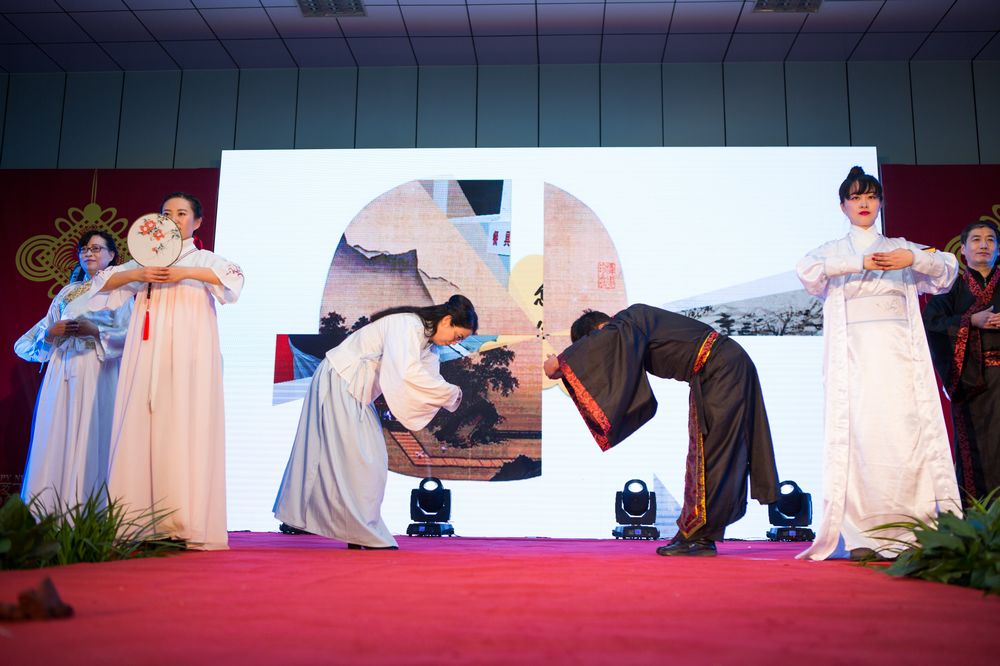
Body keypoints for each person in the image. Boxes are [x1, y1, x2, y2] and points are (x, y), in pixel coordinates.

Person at [795, 166, 961, 561]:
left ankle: (913, 532)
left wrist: (913, 257)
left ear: (881, 202)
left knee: (906, 436)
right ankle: (861, 536)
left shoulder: (902, 247)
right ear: (843, 206)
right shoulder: (833, 251)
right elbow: (808, 272)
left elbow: (947, 271)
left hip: (900, 361)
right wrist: (859, 263)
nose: (863, 204)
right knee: (859, 436)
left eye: (870, 196)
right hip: (855, 361)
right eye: (855, 198)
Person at [544, 305, 779, 557]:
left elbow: (599, 343)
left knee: (711, 454)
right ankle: (697, 534)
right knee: (714, 451)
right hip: (719, 369)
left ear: (601, 330)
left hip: (720, 368)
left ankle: (698, 537)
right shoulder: (631, 331)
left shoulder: (628, 320)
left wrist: (561, 362)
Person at [88, 193, 244, 550]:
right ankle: (136, 521)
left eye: (182, 213)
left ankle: (183, 522)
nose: (173, 218)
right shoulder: (143, 260)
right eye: (166, 212)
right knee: (142, 422)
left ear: (197, 222)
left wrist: (184, 272)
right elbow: (99, 284)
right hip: (146, 351)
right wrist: (139, 273)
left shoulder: (204, 259)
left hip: (190, 354)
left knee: (184, 424)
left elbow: (234, 281)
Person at [273, 295, 477, 550]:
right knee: (361, 459)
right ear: (446, 320)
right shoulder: (408, 325)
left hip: (355, 390)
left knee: (367, 458)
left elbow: (427, 377)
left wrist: (450, 394)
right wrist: (450, 393)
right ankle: (358, 530)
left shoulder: (427, 346)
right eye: (457, 336)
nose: (455, 342)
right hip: (341, 379)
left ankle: (351, 527)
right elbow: (407, 374)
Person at [15, 230, 131, 513]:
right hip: (62, 368)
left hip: (97, 367)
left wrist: (96, 331)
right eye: (84, 249)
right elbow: (26, 345)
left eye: (96, 248)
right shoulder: (67, 293)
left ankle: (90, 512)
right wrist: (50, 334)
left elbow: (129, 336)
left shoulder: (121, 292)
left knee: (93, 433)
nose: (88, 253)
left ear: (112, 255)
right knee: (57, 434)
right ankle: (50, 511)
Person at [923, 220, 1000, 504]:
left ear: (998, 248)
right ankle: (976, 515)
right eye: (976, 239)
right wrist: (970, 321)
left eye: (990, 240)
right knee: (975, 447)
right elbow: (932, 324)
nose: (983, 245)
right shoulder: (950, 288)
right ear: (963, 250)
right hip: (971, 382)